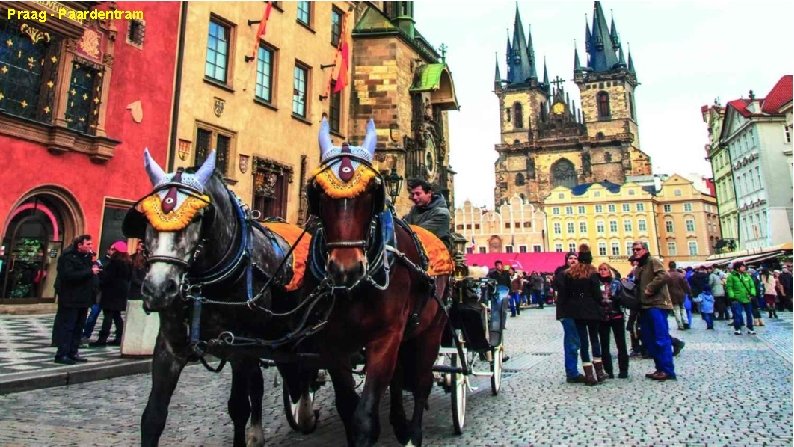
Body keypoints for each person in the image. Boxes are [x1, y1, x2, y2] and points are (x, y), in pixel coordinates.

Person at [562, 244, 606, 385]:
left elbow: (566, 293)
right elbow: (597, 295)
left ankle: (589, 375)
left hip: (577, 311)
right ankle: (599, 373)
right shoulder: (593, 273)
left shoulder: (571, 274)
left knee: (583, 342)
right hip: (592, 310)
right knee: (594, 339)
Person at [632, 241, 676, 381]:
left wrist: (650, 288)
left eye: (638, 249)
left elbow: (664, 275)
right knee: (650, 340)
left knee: (661, 338)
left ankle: (667, 370)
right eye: (634, 250)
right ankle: (659, 368)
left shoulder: (653, 261)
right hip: (645, 306)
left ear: (645, 250)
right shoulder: (640, 266)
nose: (635, 252)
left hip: (657, 304)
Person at [53, 235, 100, 365]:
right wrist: (90, 272)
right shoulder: (68, 257)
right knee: (68, 327)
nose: (91, 246)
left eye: (91, 244)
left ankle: (73, 352)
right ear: (79, 245)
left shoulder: (87, 258)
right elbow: (68, 276)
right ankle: (62, 354)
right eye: (88, 244)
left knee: (78, 327)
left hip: (83, 299)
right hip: (70, 298)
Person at [90, 241, 133, 347]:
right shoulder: (128, 262)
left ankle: (102, 339)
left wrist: (100, 275)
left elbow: (108, 277)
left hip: (111, 292)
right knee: (117, 316)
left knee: (108, 316)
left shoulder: (114, 262)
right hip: (121, 292)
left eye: (114, 249)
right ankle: (119, 337)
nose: (111, 251)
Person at [554, 252, 585, 383]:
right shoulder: (562, 274)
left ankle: (574, 371)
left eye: (575, 258)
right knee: (572, 341)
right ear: (566, 260)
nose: (572, 260)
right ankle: (572, 373)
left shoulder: (581, 273)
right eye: (570, 258)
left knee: (576, 341)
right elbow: (564, 291)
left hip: (579, 312)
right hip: (567, 312)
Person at [596, 262, 629, 379]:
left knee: (621, 344)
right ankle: (608, 370)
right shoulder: (596, 284)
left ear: (609, 271)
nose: (602, 271)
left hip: (617, 315)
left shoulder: (617, 283)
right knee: (604, 345)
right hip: (602, 317)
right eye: (600, 269)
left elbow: (623, 297)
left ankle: (623, 370)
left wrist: (617, 299)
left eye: (605, 269)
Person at [402, 179, 451, 250]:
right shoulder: (414, 210)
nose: (414, 197)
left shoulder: (442, 213)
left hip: (437, 253)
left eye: (418, 194)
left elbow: (419, 231)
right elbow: (402, 225)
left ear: (429, 193)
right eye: (413, 194)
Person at [726, 261, 757, 335]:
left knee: (749, 314)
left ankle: (750, 328)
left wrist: (752, 294)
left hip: (747, 297)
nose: (744, 268)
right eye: (742, 266)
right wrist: (732, 296)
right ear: (737, 268)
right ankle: (737, 329)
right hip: (737, 298)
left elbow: (752, 286)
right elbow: (729, 288)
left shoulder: (747, 276)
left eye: (744, 266)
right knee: (737, 314)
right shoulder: (731, 276)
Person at [667, 261, 691, 330]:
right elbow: (686, 285)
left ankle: (680, 325)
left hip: (672, 295)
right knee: (683, 308)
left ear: (669, 266)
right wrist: (689, 292)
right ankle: (686, 322)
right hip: (681, 294)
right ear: (675, 266)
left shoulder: (667, 275)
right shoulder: (680, 275)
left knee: (676, 310)